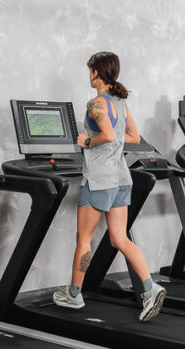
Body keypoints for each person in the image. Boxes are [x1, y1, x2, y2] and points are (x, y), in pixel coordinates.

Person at [52, 51, 165, 322]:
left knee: (84, 239)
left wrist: (87, 142)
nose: (88, 74)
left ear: (97, 72)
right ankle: (150, 289)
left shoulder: (96, 104)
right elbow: (133, 137)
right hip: (121, 178)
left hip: (99, 180)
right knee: (119, 239)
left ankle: (74, 294)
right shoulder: (121, 102)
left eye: (90, 69)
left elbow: (108, 135)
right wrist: (110, 142)